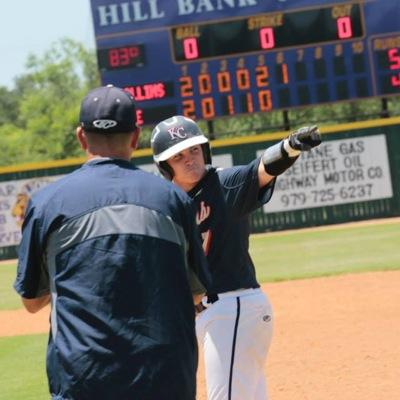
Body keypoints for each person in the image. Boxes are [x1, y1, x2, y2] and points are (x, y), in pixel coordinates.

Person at [14, 86, 211, 400]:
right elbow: (197, 291)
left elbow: (32, 302)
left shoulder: (47, 203)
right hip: (165, 378)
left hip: (85, 379)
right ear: (135, 137)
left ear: (81, 137)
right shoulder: (173, 199)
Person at [151, 115, 321, 400]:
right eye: (179, 156)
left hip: (233, 307)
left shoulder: (224, 184)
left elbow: (262, 169)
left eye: (194, 150)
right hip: (204, 315)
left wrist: (290, 146)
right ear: (165, 165)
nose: (190, 159)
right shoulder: (166, 205)